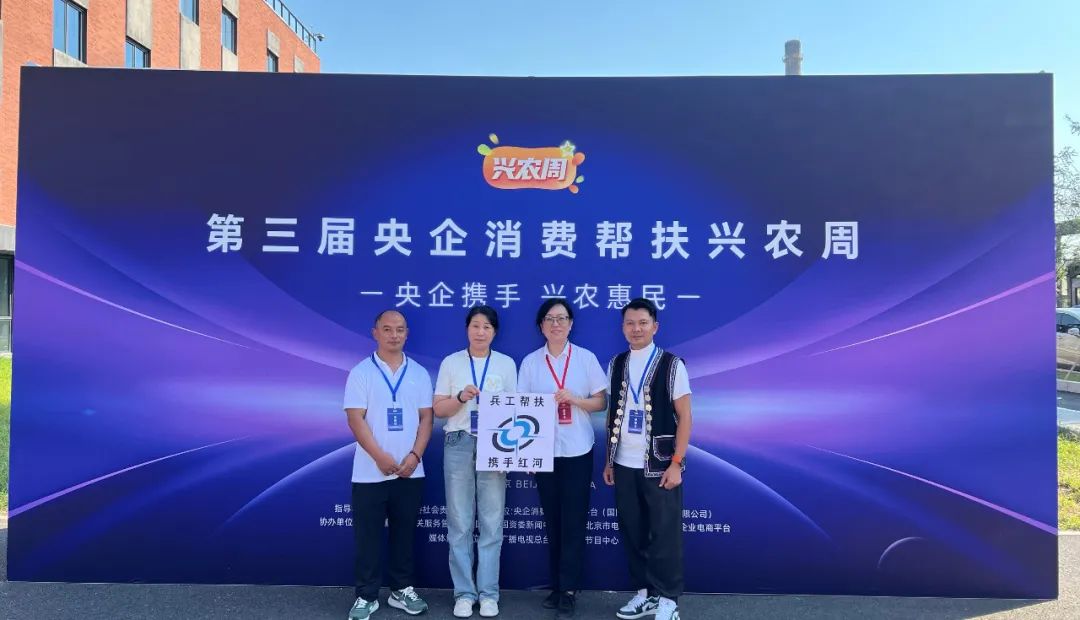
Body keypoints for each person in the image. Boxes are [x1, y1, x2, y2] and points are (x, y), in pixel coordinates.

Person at [517, 298, 607, 619]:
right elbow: (521, 410)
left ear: (571, 324)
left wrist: (576, 399)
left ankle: (569, 589)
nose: (556, 324)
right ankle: (556, 586)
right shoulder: (530, 362)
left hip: (577, 450)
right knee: (553, 521)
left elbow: (601, 402)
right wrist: (526, 454)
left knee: (574, 521)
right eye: (550, 319)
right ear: (541, 326)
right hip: (544, 453)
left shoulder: (585, 358)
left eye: (562, 318)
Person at [603, 298, 692, 620]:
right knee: (633, 531)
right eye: (630, 323)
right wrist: (609, 460)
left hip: (660, 464)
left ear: (655, 327)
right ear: (623, 327)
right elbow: (612, 415)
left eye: (642, 323)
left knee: (664, 533)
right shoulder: (616, 363)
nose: (636, 329)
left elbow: (685, 416)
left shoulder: (672, 365)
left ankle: (669, 600)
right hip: (624, 464)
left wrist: (676, 462)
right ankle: (645, 595)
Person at [344, 310, 434, 619]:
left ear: (407, 333)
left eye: (399, 330)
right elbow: (355, 419)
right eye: (387, 329)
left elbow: (426, 419)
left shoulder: (419, 373)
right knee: (367, 537)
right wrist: (379, 456)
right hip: (369, 472)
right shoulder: (361, 372)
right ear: (375, 333)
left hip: (410, 471)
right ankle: (366, 596)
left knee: (404, 535)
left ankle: (401, 590)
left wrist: (414, 456)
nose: (394, 335)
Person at [433, 305, 518, 618]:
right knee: (459, 522)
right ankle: (464, 594)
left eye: (487, 327)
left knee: (492, 522)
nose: (480, 332)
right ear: (467, 329)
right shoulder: (451, 362)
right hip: (458, 442)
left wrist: (512, 452)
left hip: (495, 444)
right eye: (475, 326)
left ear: (495, 332)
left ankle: (489, 593)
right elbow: (438, 410)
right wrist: (460, 398)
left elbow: (515, 411)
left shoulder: (506, 364)